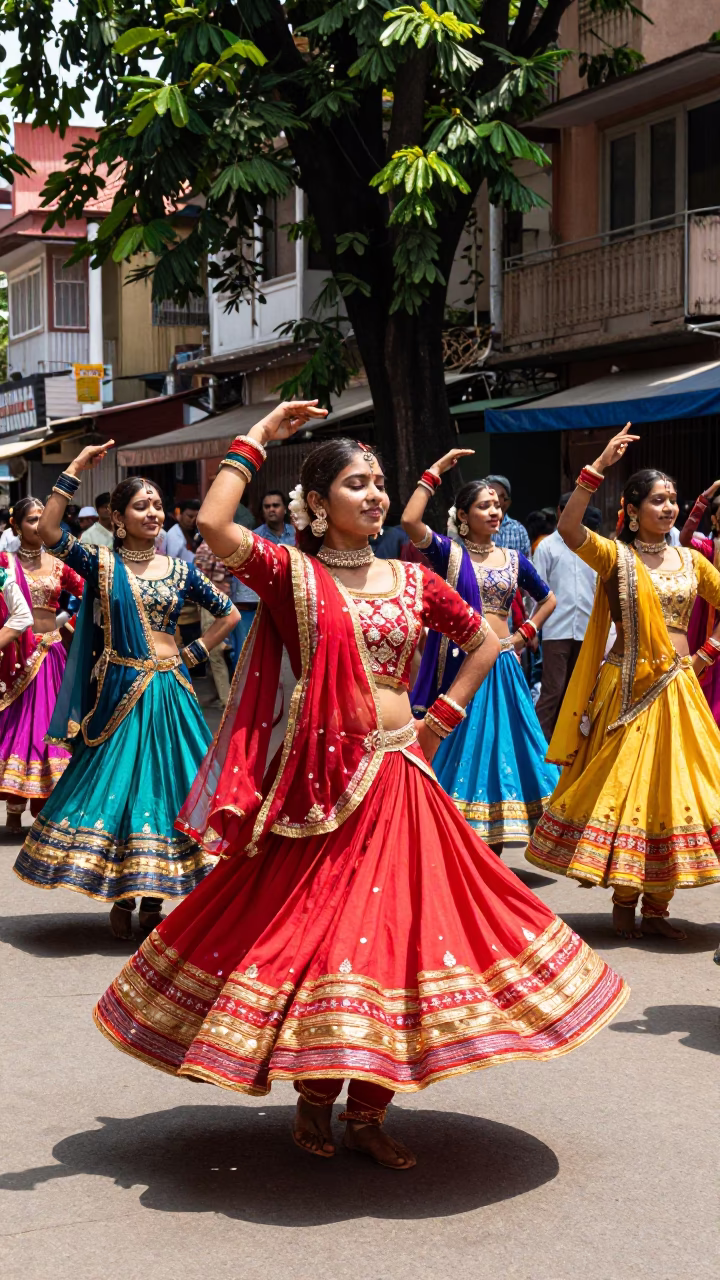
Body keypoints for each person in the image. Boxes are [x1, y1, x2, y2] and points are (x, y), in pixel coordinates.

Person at [94, 404, 628, 1172]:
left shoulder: (413, 579)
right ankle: (315, 1098)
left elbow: (483, 639)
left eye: (380, 484)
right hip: (319, 787)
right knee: (321, 936)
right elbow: (214, 525)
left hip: (399, 773)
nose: (376, 496)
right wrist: (260, 438)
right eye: (357, 484)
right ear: (319, 503)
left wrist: (440, 716)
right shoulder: (292, 575)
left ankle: (371, 1111)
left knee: (400, 938)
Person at [14, 450, 240, 939]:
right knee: (118, 786)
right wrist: (72, 471)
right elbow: (51, 532)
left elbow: (229, 613)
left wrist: (193, 654)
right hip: (118, 691)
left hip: (170, 691)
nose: (154, 513)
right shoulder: (101, 563)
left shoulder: (180, 571)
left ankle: (154, 897)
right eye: (141, 506)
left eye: (157, 504)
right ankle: (122, 891)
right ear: (118, 518)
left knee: (168, 788)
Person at [526, 425, 720, 940]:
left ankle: (657, 906)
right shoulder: (617, 557)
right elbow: (569, 532)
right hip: (627, 689)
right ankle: (623, 902)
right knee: (627, 791)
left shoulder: (691, 561)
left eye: (673, 500)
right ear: (633, 509)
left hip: (679, 689)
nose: (668, 508)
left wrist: (705, 655)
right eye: (658, 500)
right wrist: (597, 469)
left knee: (674, 790)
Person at [402, 453, 560, 852]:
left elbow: (548, 599)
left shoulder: (514, 559)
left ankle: (497, 827)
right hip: (462, 662)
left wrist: (524, 634)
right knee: (463, 739)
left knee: (507, 742)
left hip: (503, 663)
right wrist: (433, 474)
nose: (495, 511)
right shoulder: (449, 554)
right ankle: (453, 824)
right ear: (463, 515)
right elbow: (409, 522)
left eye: (497, 505)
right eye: (484, 506)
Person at [0, 498, 84, 832]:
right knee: (17, 728)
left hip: (51, 658)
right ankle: (13, 811)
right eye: (32, 520)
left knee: (48, 732)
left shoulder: (61, 563)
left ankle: (48, 812)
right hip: (16, 658)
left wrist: (70, 625)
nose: (39, 525)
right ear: (16, 526)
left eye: (44, 519)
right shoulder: (4, 563)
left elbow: (91, 594)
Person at [533, 494, 600, 740]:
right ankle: (541, 744)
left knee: (580, 691)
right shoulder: (547, 546)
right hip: (556, 628)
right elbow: (536, 590)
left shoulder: (593, 544)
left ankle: (570, 743)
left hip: (587, 628)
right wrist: (533, 628)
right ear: (561, 512)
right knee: (553, 689)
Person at [678, 480, 720, 726]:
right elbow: (684, 538)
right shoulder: (707, 547)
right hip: (708, 621)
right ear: (714, 520)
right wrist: (705, 497)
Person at [485, 474, 531, 558]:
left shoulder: (518, 531)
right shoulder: (477, 525)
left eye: (497, 497)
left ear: (507, 502)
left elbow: (527, 564)